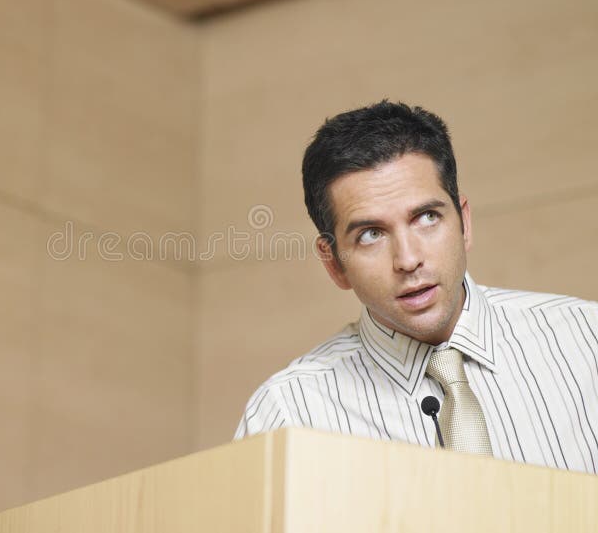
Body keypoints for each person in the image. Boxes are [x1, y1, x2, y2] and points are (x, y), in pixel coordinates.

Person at [234, 100, 598, 474]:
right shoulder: (289, 414)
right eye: (371, 234)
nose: (408, 260)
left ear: (464, 223)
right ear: (333, 263)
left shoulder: (588, 342)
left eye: (427, 217)